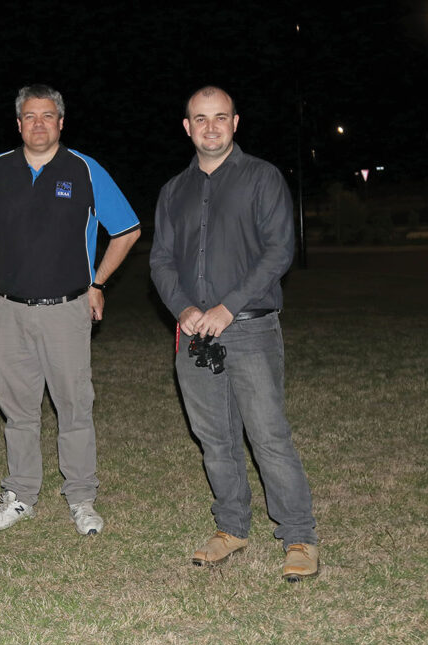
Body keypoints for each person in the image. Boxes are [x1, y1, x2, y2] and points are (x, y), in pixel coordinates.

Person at [149, 85, 319, 581]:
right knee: (214, 438)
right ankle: (231, 527)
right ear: (187, 127)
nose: (210, 126)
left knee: (268, 436)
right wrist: (182, 309)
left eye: (219, 117)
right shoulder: (172, 192)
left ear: (236, 122)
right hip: (194, 335)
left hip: (249, 329)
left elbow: (278, 252)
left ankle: (299, 535)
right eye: (199, 118)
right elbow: (159, 261)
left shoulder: (262, 178)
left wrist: (227, 307)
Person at [0, 84, 140, 536]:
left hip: (67, 309)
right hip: (10, 311)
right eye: (29, 116)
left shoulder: (84, 169)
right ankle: (21, 494)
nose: (37, 124)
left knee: (74, 407)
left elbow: (128, 230)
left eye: (46, 116)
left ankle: (81, 498)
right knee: (17, 408)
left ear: (61, 122)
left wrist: (97, 282)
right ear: (18, 123)